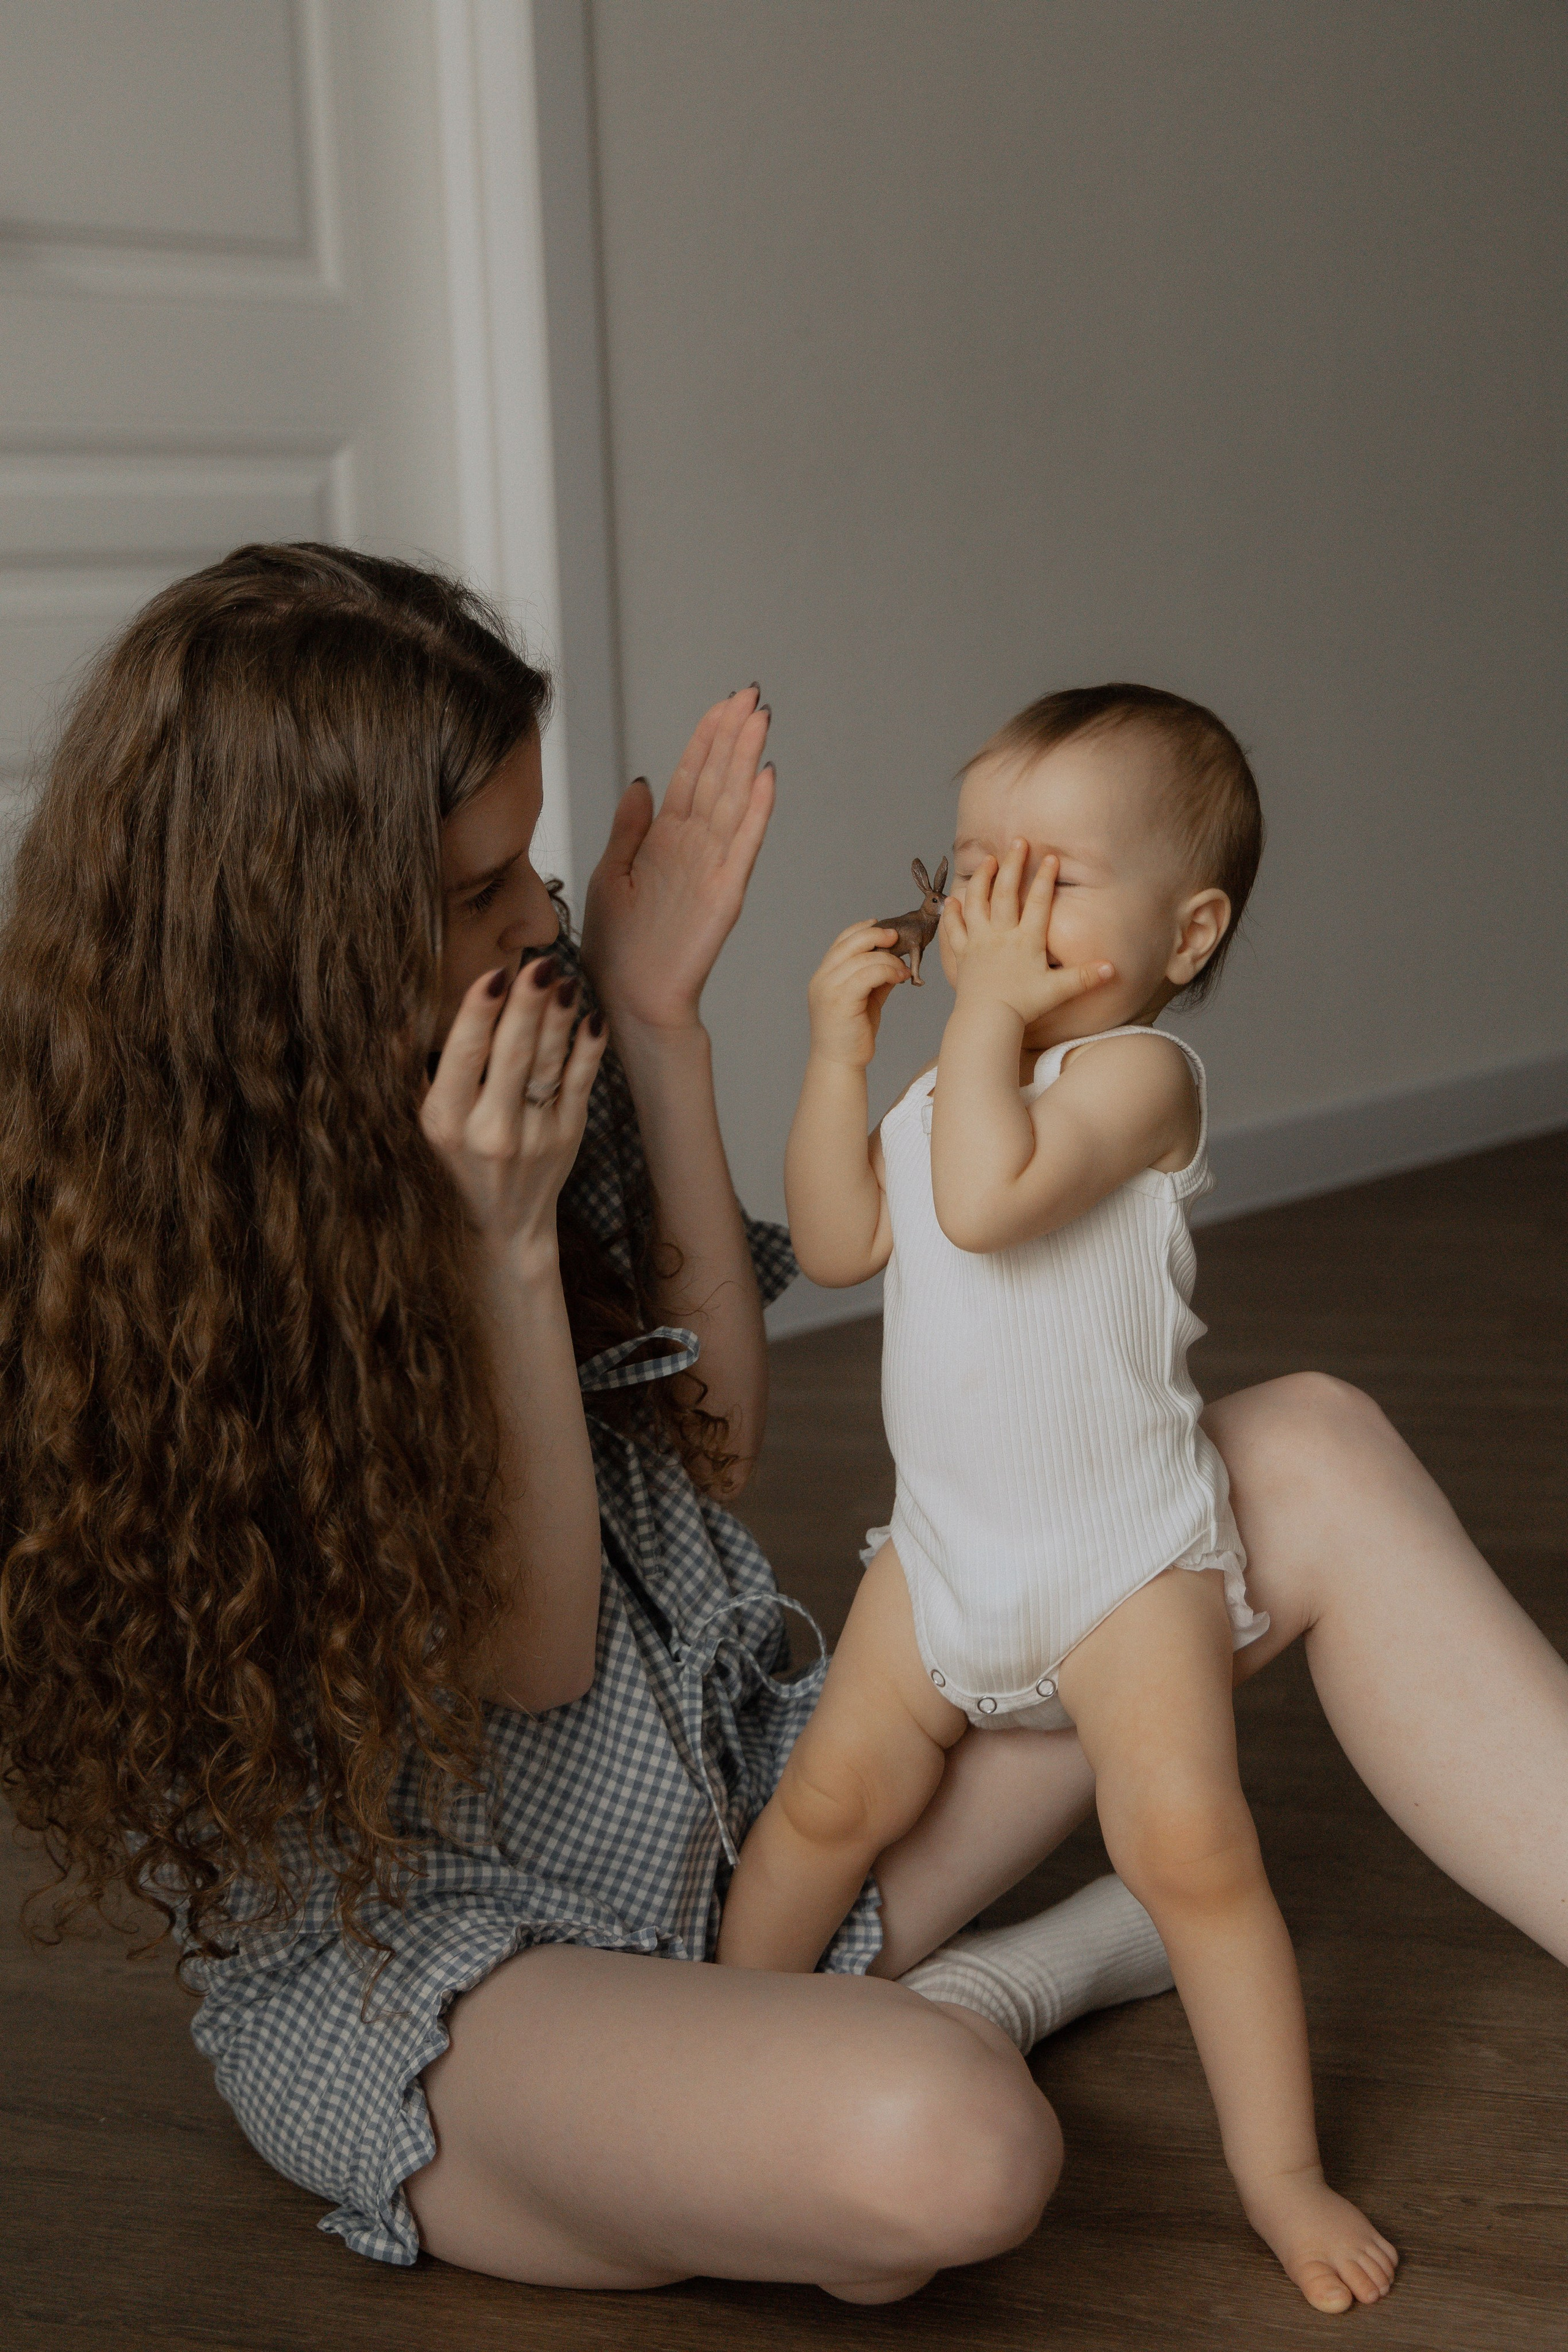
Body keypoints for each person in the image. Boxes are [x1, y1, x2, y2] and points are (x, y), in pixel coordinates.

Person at [1, 549, 1565, 2309]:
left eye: (531, 858)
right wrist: (502, 1253)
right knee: (944, 2149)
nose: (541, 915)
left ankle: (856, 2004)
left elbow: (719, 1434)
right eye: (479, 885)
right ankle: (986, 1993)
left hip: (742, 1827)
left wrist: (663, 1025)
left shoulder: (535, 1047)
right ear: (297, 930)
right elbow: (537, 1656)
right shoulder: (165, 1267)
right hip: (473, 1972)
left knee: (1314, 1450)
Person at [717, 685, 1398, 2311]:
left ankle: (1281, 2172)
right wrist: (831, 1056)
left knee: (1191, 1852)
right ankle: (729, 2040)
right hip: (942, 1563)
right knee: (823, 1810)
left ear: (1189, 926)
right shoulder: (949, 1081)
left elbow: (993, 1199)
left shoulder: (1140, 1077)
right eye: (974, 868)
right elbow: (833, 1244)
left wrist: (970, 1031)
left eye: (1054, 876)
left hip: (1120, 1571)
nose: (996, 910)